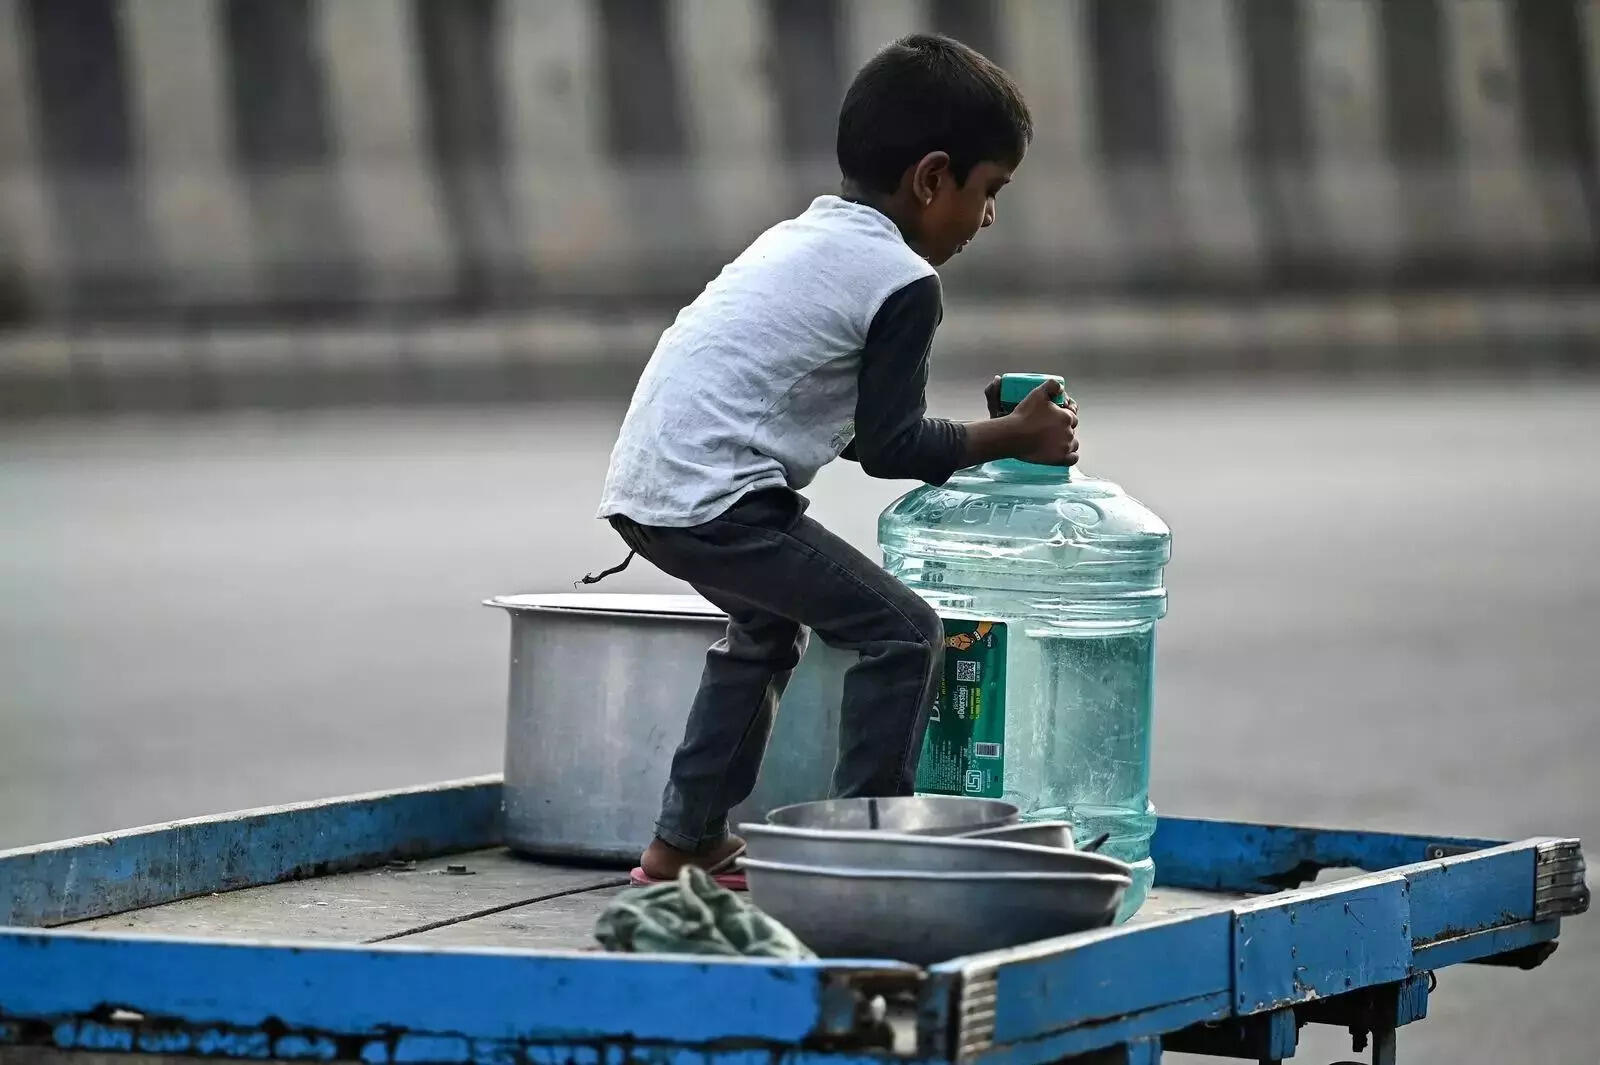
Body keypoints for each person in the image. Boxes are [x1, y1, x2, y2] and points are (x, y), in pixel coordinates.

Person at [593, 33, 1080, 886]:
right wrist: (1015, 437)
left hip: (650, 486)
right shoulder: (901, 280)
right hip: (719, 495)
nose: (990, 217)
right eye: (990, 191)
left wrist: (978, 434)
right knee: (904, 632)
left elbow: (841, 423)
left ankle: (683, 844)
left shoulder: (804, 236)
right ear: (932, 180)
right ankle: (866, 860)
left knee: (764, 630)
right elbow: (891, 448)